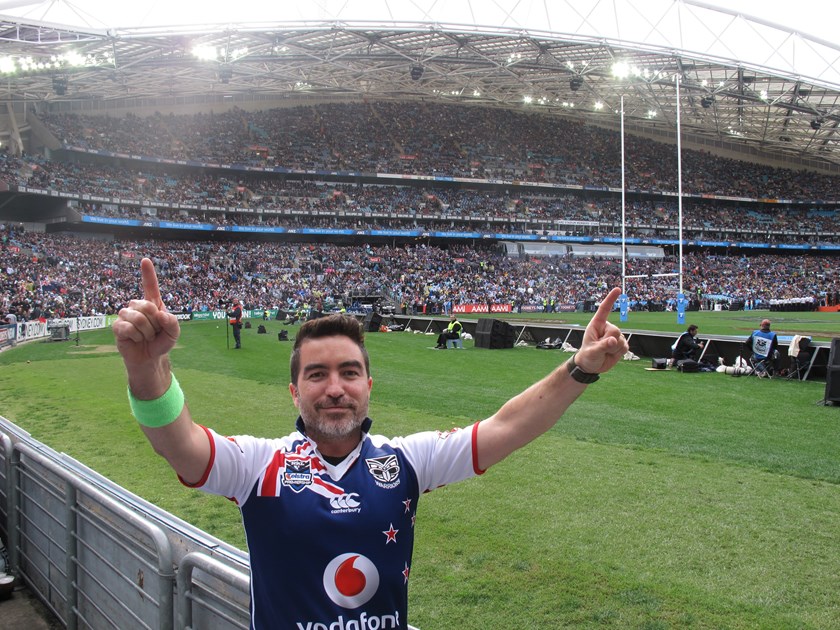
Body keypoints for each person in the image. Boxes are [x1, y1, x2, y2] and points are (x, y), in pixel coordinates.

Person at [113, 258, 628, 630]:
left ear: (367, 386)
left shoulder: (405, 460)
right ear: (295, 392)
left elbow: (507, 427)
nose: (335, 387)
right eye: (317, 374)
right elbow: (178, 445)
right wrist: (145, 367)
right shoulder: (258, 465)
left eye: (349, 372)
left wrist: (578, 369)